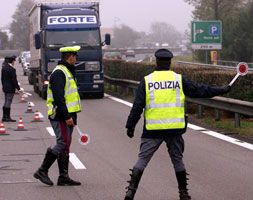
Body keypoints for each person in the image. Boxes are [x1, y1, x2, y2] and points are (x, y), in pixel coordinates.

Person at [124, 49, 231, 200]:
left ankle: (130, 192)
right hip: (175, 130)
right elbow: (200, 90)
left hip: (153, 130)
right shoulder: (179, 80)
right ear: (170, 63)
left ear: (156, 62)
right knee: (177, 160)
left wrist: (130, 125)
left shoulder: (147, 81)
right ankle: (184, 193)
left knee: (142, 160)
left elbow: (137, 106)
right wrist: (221, 90)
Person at [33, 46, 82, 186]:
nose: (76, 58)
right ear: (69, 57)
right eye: (75, 55)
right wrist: (67, 116)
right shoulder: (60, 73)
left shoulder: (66, 71)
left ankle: (63, 177)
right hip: (60, 115)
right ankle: (42, 170)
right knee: (62, 143)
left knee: (66, 145)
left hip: (67, 114)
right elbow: (59, 98)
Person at [1, 55, 21, 122]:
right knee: (8, 102)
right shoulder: (12, 69)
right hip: (10, 88)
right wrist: (18, 88)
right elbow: (14, 80)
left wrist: (3, 86)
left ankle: (4, 117)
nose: (14, 62)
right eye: (14, 61)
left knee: (6, 101)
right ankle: (7, 117)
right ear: (12, 61)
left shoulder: (3, 68)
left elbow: (2, 79)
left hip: (5, 87)